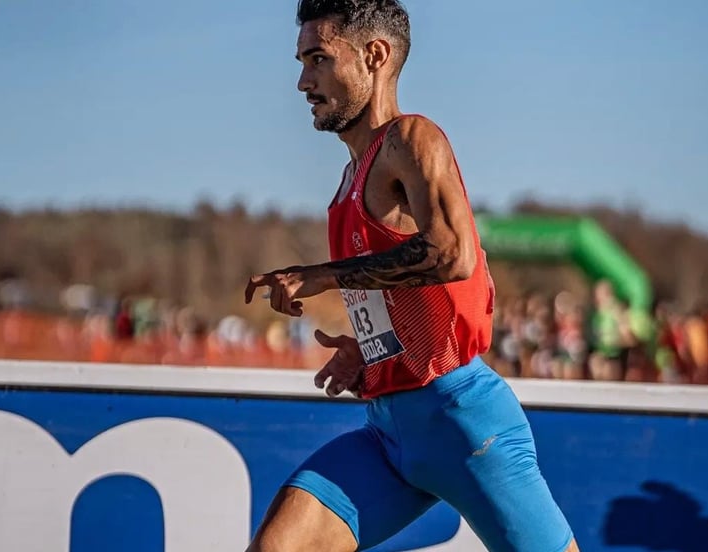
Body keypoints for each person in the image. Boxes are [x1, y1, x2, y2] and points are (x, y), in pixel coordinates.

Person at [244, 1, 579, 551]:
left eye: (319, 59)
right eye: (302, 62)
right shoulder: (350, 177)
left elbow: (453, 256)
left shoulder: (411, 139)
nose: (303, 80)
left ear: (374, 56)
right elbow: (413, 295)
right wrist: (374, 352)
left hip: (463, 426)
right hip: (389, 434)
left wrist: (325, 276)